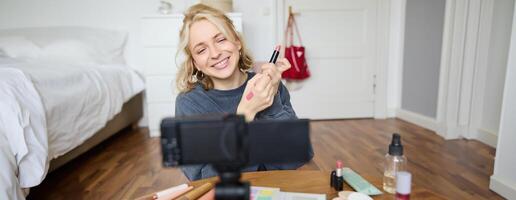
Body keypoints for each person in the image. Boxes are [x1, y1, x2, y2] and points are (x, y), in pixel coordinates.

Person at [174, 4, 312, 181]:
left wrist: (272, 101)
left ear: (237, 42)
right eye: (201, 50)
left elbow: (298, 157)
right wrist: (244, 116)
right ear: (195, 63)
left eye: (221, 39)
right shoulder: (190, 103)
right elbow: (204, 179)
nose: (215, 53)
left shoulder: (269, 86)